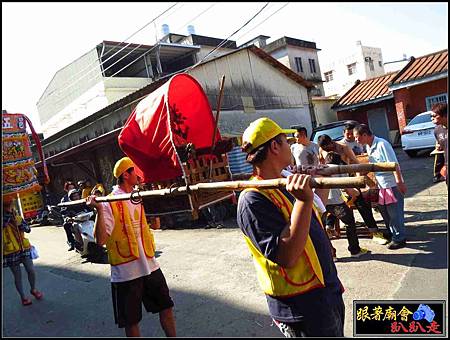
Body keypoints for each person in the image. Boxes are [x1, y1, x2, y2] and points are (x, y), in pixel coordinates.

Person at [237, 118, 345, 337]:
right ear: (275, 147)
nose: (291, 145)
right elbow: (286, 256)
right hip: (302, 308)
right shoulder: (253, 199)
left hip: (326, 291)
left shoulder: (287, 180)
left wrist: (318, 182)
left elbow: (316, 212)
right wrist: (303, 201)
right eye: (286, 141)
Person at [86, 157, 176, 337]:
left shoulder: (137, 197)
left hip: (150, 265)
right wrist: (98, 210)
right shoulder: (109, 202)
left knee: (166, 307)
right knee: (131, 321)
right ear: (125, 175)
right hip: (126, 272)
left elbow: (155, 226)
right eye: (135, 170)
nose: (138, 174)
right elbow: (101, 240)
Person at [354, 124, 407, 250]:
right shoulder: (368, 146)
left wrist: (400, 182)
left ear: (365, 135)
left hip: (391, 183)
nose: (356, 140)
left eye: (357, 137)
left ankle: (399, 238)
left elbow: (394, 164)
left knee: (394, 213)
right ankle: (392, 232)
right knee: (385, 211)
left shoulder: (382, 144)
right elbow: (374, 165)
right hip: (382, 184)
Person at [323, 152, 369, 258]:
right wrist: (357, 193)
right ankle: (354, 250)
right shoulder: (340, 169)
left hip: (321, 204)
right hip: (336, 203)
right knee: (349, 222)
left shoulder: (320, 168)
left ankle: (330, 254)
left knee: (321, 229)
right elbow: (348, 190)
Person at [3, 199, 43, 306]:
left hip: (24, 248)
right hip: (10, 251)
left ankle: (33, 289)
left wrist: (20, 225)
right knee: (17, 276)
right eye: (7, 206)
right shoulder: (4, 219)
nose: (10, 208)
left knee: (31, 270)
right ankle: (23, 297)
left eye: (11, 205)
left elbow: (28, 229)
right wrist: (8, 216)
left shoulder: (18, 217)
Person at [431, 103, 447, 184]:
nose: (432, 118)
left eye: (434, 116)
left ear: (444, 115)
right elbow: (441, 151)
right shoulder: (437, 130)